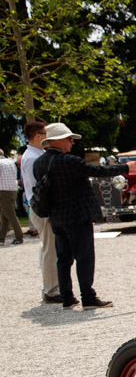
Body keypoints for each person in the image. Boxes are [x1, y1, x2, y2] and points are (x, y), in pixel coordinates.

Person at [34, 122, 136, 309]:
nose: (72, 143)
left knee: (63, 258)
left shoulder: (39, 163)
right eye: (69, 139)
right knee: (84, 256)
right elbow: (98, 172)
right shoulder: (69, 161)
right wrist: (125, 168)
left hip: (56, 216)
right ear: (58, 140)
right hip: (77, 214)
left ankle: (66, 297)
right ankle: (88, 297)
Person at [21, 121, 60, 303]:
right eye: (46, 133)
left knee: (50, 248)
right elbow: (38, 187)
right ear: (38, 136)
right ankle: (51, 290)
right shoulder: (32, 158)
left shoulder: (37, 154)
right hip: (41, 208)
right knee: (49, 249)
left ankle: (53, 287)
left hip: (41, 207)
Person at [0, 149, 23, 245]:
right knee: (5, 216)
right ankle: (1, 238)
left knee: (11, 215)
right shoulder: (10, 163)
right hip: (13, 190)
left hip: (3, 191)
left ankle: (19, 237)